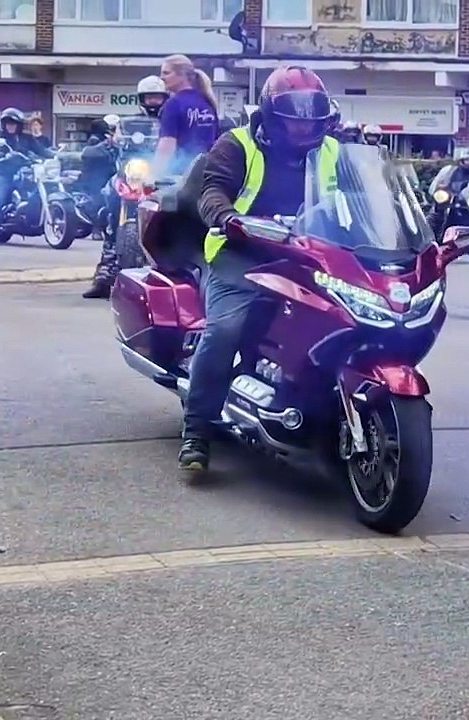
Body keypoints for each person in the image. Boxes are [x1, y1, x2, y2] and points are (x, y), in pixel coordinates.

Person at [176, 65, 339, 473]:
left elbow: (362, 195)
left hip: (309, 255)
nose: (303, 125)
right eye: (293, 115)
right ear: (270, 112)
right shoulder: (238, 145)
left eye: (310, 114)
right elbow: (212, 188)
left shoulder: (335, 150)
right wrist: (227, 216)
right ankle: (197, 430)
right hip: (240, 254)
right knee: (226, 329)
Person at [82, 79, 168, 299]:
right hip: (131, 171)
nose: (153, 102)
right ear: (141, 100)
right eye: (149, 98)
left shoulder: (170, 121)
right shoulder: (130, 123)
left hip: (160, 175)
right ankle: (105, 272)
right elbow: (116, 143)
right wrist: (109, 143)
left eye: (157, 97)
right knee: (108, 195)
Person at [0, 107, 54, 245]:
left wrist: (56, 156)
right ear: (4, 125)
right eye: (8, 123)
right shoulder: (0, 137)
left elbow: (41, 150)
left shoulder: (27, 138)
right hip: (5, 174)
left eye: (13, 123)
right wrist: (3, 154)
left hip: (25, 173)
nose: (10, 126)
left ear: (19, 125)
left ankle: (30, 217)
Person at [154, 54, 219, 178]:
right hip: (208, 174)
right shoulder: (208, 102)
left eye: (166, 73)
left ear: (182, 75)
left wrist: (153, 176)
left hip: (181, 177)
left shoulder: (174, 104)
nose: (162, 78)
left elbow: (166, 147)